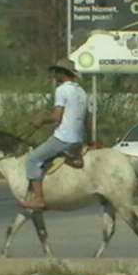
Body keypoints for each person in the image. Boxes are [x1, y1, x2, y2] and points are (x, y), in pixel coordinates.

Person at [19, 58, 89, 210]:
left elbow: (57, 116)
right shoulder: (82, 92)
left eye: (57, 72)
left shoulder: (62, 90)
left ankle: (38, 199)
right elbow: (86, 118)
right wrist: (88, 139)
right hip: (78, 137)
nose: (55, 75)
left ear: (63, 74)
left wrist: (41, 121)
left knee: (32, 159)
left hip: (64, 137)